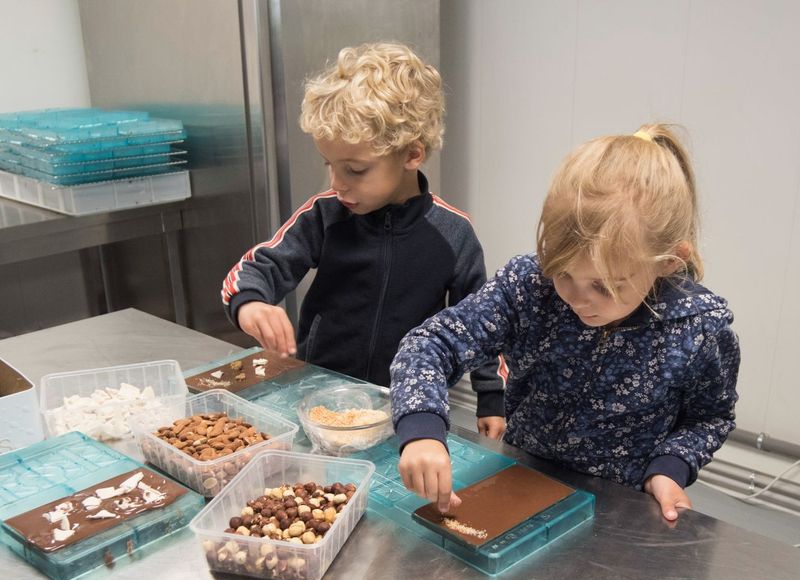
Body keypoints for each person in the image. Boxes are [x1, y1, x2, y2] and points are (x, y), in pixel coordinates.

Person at [391, 124, 740, 521]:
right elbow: (430, 345)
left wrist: (670, 469)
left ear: (668, 263)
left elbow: (710, 417)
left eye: (606, 287)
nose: (576, 298)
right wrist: (421, 427)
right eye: (563, 273)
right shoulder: (529, 286)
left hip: (619, 507)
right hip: (521, 480)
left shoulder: (698, 331)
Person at [221, 42, 506, 434]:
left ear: (412, 154)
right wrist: (251, 304)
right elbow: (259, 267)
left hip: (410, 409)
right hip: (321, 397)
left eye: (355, 169)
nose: (336, 184)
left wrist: (492, 397)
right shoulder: (325, 214)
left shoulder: (454, 234)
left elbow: (482, 325)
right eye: (330, 166)